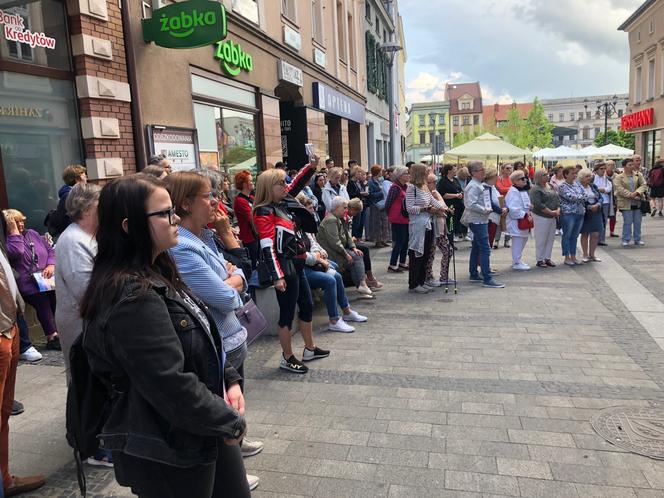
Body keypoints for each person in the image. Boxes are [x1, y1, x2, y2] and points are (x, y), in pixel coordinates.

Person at [80, 175, 251, 497]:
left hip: (200, 424)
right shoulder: (133, 295)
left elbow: (200, 329)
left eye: (173, 210)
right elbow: (167, 380)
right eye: (164, 214)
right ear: (129, 227)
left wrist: (228, 378)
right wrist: (229, 421)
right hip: (168, 444)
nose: (175, 220)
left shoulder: (158, 269)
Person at [166, 172, 263, 476]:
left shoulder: (203, 237)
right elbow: (225, 296)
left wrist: (234, 278)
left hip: (231, 338)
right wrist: (233, 279)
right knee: (220, 411)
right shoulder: (181, 246)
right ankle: (230, 473)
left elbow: (237, 273)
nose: (216, 202)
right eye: (208, 196)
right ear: (185, 203)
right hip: (217, 340)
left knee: (234, 403)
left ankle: (235, 446)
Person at [253, 160, 330, 374]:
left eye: (284, 182)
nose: (285, 186)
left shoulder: (282, 202)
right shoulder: (264, 211)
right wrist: (277, 277)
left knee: (306, 306)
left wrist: (311, 166)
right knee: (287, 314)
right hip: (284, 270)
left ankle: (310, 349)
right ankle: (287, 357)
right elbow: (267, 247)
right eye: (279, 183)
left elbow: (296, 183)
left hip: (296, 265)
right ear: (269, 187)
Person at [296, 194, 367, 333]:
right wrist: (318, 258)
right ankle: (334, 320)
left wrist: (320, 253)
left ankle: (347, 312)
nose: (313, 211)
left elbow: (313, 242)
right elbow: (300, 254)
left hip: (314, 261)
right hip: (301, 268)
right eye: (309, 208)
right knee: (330, 280)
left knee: (337, 273)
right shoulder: (296, 227)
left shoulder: (305, 225)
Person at [3, 210, 60, 350]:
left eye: (21, 220)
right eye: (16, 222)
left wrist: (51, 265)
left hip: (45, 278)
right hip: (28, 283)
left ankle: (60, 332)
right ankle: (51, 336)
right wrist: (14, 232)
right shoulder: (7, 240)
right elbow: (17, 252)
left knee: (56, 302)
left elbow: (50, 250)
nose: (21, 224)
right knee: (43, 303)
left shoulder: (32, 234)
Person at [317, 197, 375, 297]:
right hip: (330, 254)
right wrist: (346, 254)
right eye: (344, 208)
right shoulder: (331, 220)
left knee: (357, 254)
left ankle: (362, 285)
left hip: (336, 251)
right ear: (337, 207)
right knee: (356, 257)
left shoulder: (337, 218)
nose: (346, 210)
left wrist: (353, 247)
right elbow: (335, 243)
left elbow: (347, 235)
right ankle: (362, 285)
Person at [463, 161, 505, 288]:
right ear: (474, 172)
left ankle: (474, 274)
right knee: (485, 249)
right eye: (481, 170)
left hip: (480, 219)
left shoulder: (477, 184)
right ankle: (487, 278)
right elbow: (471, 204)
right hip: (477, 220)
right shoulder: (473, 186)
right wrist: (484, 209)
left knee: (477, 247)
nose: (484, 172)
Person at [405, 164, 444, 293]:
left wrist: (444, 208)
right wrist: (425, 209)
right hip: (418, 225)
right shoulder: (411, 188)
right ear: (420, 173)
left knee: (426, 253)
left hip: (428, 223)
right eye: (427, 172)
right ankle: (414, 283)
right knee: (417, 253)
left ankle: (422, 281)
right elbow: (410, 208)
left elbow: (433, 200)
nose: (428, 174)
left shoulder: (425, 186)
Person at [345, 199, 383, 290]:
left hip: (347, 241)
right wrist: (351, 240)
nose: (357, 214)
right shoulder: (345, 217)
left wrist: (351, 239)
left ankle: (369, 278)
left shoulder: (348, 216)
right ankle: (368, 278)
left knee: (364, 249)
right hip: (344, 244)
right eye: (356, 211)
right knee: (363, 251)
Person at [424, 174, 454, 288]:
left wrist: (444, 210)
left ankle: (443, 276)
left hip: (440, 227)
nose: (435, 184)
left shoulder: (434, 192)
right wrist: (440, 210)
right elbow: (434, 209)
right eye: (433, 182)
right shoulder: (427, 194)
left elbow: (443, 207)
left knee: (446, 251)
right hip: (433, 227)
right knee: (433, 253)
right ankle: (430, 277)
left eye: (436, 181)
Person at [46, 164, 88, 237]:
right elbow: (63, 219)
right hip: (75, 235)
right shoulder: (69, 196)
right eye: (84, 176)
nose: (86, 178)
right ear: (77, 179)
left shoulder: (77, 194)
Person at [614, 157, 648, 247]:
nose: (632, 166)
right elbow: (619, 189)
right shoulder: (618, 177)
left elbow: (644, 185)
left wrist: (637, 193)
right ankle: (625, 239)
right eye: (630, 165)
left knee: (638, 222)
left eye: (632, 164)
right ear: (624, 166)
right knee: (627, 222)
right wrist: (631, 195)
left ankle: (637, 239)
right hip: (626, 202)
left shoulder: (638, 174)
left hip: (638, 201)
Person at [530, 169, 560, 268]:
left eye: (547, 174)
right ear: (539, 177)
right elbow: (538, 204)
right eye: (544, 175)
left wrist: (558, 210)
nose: (547, 176)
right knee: (541, 238)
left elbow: (557, 198)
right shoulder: (536, 189)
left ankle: (547, 258)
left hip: (553, 216)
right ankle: (540, 259)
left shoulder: (550, 186)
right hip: (541, 216)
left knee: (550, 238)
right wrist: (551, 212)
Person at [558, 165, 587, 265]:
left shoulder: (578, 184)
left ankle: (573, 256)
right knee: (567, 235)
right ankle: (567, 257)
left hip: (579, 213)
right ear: (566, 175)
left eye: (575, 173)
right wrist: (580, 197)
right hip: (568, 214)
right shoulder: (562, 186)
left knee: (574, 236)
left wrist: (580, 197)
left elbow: (585, 195)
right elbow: (571, 197)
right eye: (572, 173)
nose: (575, 175)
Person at [505, 170, 534, 271]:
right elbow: (513, 208)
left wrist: (530, 207)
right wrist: (525, 214)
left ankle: (518, 259)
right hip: (517, 221)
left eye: (525, 177)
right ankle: (516, 261)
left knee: (523, 240)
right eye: (522, 178)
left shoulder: (521, 190)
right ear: (515, 181)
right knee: (518, 241)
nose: (525, 180)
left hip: (524, 220)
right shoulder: (513, 191)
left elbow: (524, 204)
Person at [385, 167, 410, 273]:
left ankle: (402, 262)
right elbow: (388, 203)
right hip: (397, 218)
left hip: (405, 218)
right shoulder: (395, 188)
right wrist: (390, 215)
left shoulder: (405, 187)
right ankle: (392, 264)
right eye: (406, 173)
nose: (408, 175)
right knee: (399, 241)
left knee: (405, 241)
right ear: (400, 175)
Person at [233, 170, 259, 267]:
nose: (252, 183)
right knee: (254, 264)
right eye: (250, 181)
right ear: (244, 184)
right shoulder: (240, 201)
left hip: (256, 236)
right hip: (249, 238)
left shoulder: (251, 197)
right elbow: (252, 217)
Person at [578, 169, 603, 262]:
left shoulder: (593, 186)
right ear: (581, 178)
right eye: (587, 176)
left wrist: (598, 204)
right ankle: (585, 255)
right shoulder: (579, 187)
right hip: (586, 213)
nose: (589, 178)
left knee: (596, 234)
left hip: (596, 212)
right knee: (585, 233)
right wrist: (589, 206)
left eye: (590, 176)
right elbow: (579, 200)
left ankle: (592, 254)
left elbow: (600, 198)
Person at [436, 164, 465, 242]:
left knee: (455, 223)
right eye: (454, 169)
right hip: (449, 206)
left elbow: (459, 189)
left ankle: (453, 238)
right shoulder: (443, 181)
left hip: (458, 206)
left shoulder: (455, 180)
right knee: (450, 224)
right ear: (449, 170)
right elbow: (442, 195)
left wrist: (461, 194)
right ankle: (450, 242)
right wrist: (456, 195)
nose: (455, 170)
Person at [366, 165, 389, 248]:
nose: (381, 172)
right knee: (377, 223)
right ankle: (377, 241)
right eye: (380, 171)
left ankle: (383, 239)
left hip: (383, 203)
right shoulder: (370, 182)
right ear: (377, 172)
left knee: (384, 222)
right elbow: (371, 194)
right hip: (375, 205)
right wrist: (382, 192)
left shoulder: (381, 180)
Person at [592, 161, 613, 246]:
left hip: (606, 201)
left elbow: (609, 188)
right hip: (595, 202)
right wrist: (602, 189)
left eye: (604, 169)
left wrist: (602, 189)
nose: (603, 170)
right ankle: (594, 238)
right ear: (596, 170)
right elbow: (592, 188)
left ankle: (601, 239)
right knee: (594, 220)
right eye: (601, 169)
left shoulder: (607, 178)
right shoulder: (592, 178)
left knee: (604, 221)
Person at [347, 166, 369, 239]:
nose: (360, 174)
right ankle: (355, 237)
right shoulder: (351, 182)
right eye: (358, 172)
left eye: (360, 172)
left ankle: (359, 237)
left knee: (361, 222)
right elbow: (351, 194)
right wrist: (361, 193)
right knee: (356, 222)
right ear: (354, 173)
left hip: (362, 203)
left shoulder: (359, 182)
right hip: (355, 204)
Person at [495, 163, 513, 248]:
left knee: (509, 221)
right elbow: (500, 188)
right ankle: (496, 241)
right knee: (500, 221)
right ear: (502, 169)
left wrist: (508, 189)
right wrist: (510, 188)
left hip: (510, 201)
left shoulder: (512, 178)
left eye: (510, 168)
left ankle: (507, 241)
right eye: (507, 168)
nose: (509, 170)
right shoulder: (499, 178)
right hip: (501, 201)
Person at [605, 160, 619, 237]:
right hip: (605, 198)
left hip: (614, 198)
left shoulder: (617, 176)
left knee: (613, 216)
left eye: (612, 165)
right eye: (609, 165)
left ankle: (612, 231)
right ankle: (602, 231)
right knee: (603, 216)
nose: (611, 167)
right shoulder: (602, 176)